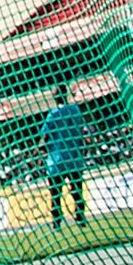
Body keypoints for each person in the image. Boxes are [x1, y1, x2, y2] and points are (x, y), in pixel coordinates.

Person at [40, 86, 87, 227]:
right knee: (77, 191)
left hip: (56, 160)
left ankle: (56, 221)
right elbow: (82, 132)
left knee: (55, 194)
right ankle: (80, 217)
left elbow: (45, 136)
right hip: (74, 158)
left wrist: (41, 149)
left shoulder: (53, 114)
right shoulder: (75, 110)